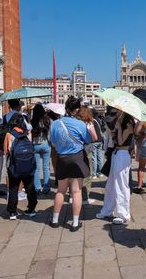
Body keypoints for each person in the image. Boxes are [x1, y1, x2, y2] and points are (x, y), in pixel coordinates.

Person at [49, 96, 97, 231]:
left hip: (62, 159)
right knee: (76, 192)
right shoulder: (80, 124)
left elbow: (52, 142)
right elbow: (88, 140)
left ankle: (55, 219)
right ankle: (75, 222)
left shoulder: (55, 124)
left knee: (60, 190)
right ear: (76, 109)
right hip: (77, 158)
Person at [97, 110, 135, 225]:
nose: (115, 112)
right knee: (111, 184)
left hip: (122, 155)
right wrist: (115, 130)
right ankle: (108, 210)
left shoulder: (128, 124)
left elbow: (121, 141)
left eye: (118, 110)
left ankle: (123, 214)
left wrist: (118, 128)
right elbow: (115, 140)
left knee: (121, 185)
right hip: (117, 154)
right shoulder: (121, 122)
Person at [4, 113, 37, 220]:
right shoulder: (27, 133)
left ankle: (13, 212)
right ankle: (31, 209)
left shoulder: (9, 134)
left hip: (14, 166)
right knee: (30, 187)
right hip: (28, 164)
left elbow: (6, 151)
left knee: (13, 188)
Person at [77, 106, 97, 205]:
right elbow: (95, 137)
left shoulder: (75, 122)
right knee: (87, 173)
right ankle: (85, 197)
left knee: (76, 174)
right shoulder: (89, 123)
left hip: (76, 149)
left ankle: (73, 196)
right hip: (86, 149)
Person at [31, 104, 52, 194]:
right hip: (45, 143)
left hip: (35, 144)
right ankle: (46, 187)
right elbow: (50, 133)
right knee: (46, 167)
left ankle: (37, 187)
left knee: (36, 168)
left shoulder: (32, 121)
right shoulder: (47, 120)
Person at [90, 108, 104, 179]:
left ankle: (94, 174)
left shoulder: (92, 121)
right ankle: (100, 172)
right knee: (100, 157)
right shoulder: (98, 120)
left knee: (94, 158)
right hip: (100, 140)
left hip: (94, 141)